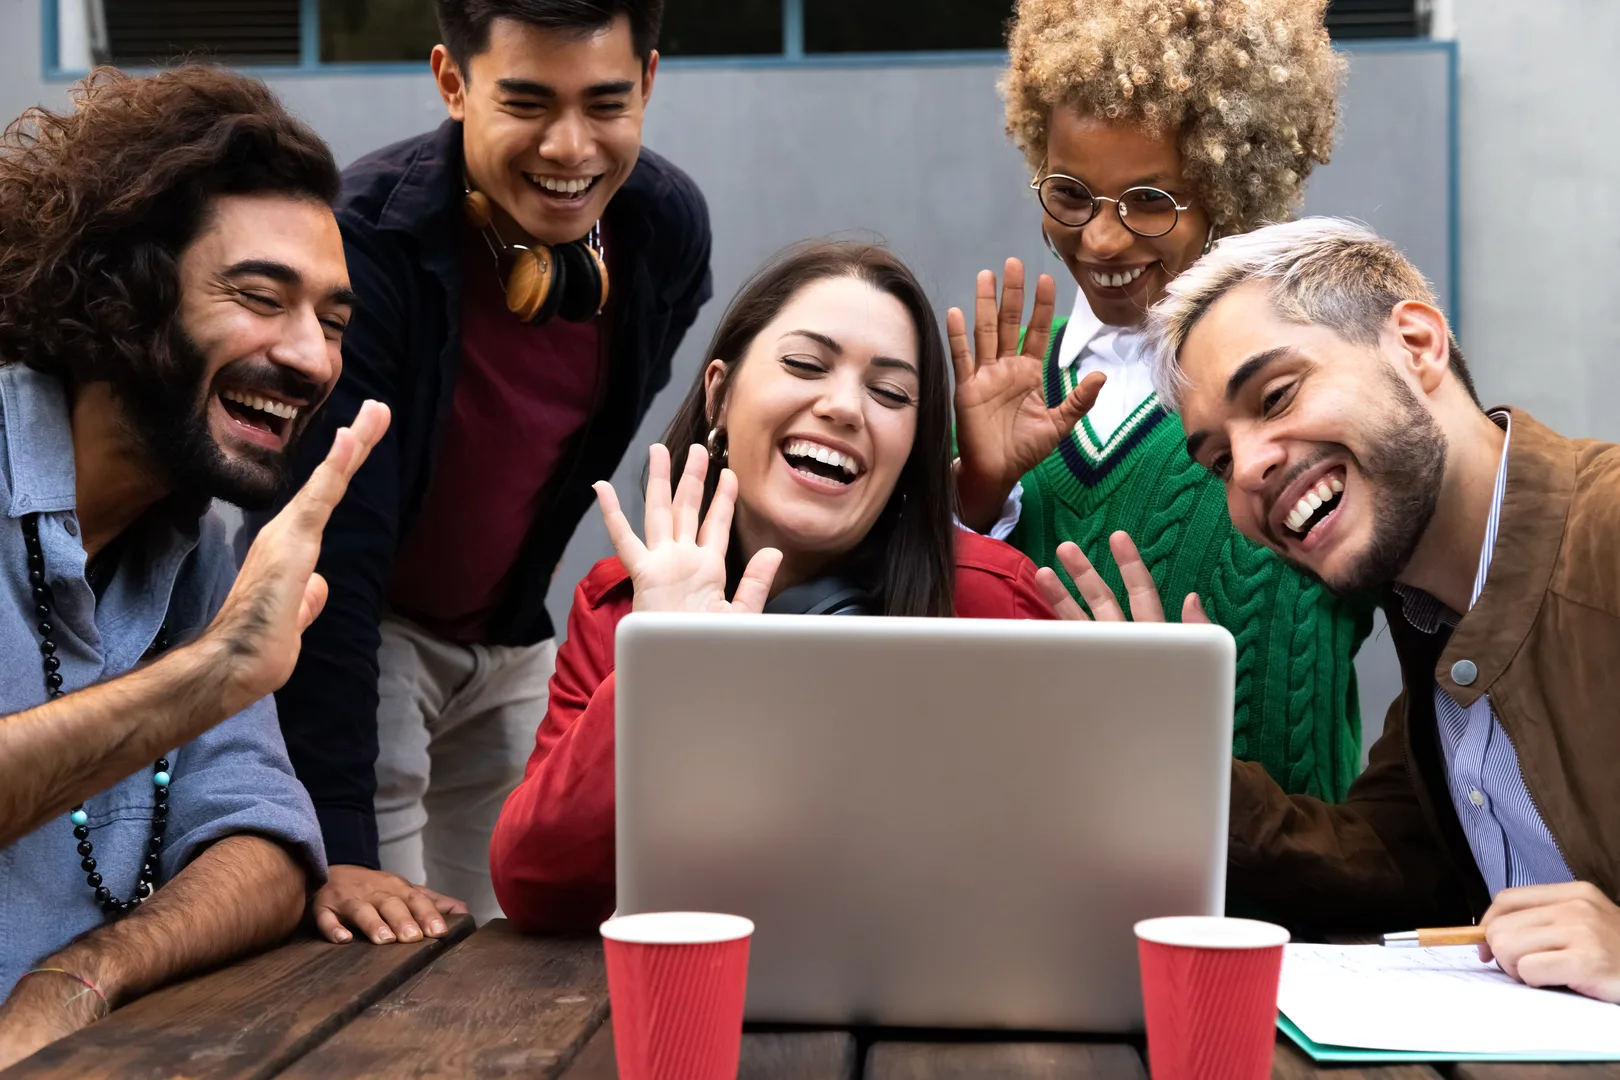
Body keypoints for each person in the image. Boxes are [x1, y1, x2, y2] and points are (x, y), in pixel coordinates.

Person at [1063, 216, 1620, 1004]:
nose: (1250, 468)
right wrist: (1174, 750)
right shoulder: (1434, 616)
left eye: (1278, 394)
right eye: (1219, 459)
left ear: (1418, 346)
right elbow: (1387, 867)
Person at [255, 0, 713, 941]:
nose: (570, 146)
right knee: (376, 945)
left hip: (510, 638)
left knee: (530, 936)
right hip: (359, 633)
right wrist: (337, 841)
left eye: (605, 104)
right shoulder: (362, 248)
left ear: (650, 85)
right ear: (453, 84)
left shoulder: (665, 230)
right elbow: (335, 538)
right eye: (529, 103)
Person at [0, 67, 391, 1067]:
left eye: (334, 320)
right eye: (261, 297)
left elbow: (263, 848)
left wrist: (83, 975)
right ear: (121, 295)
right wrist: (213, 674)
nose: (311, 358)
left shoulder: (199, 550)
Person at [489, 242, 1057, 929]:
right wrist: (665, 664)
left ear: (913, 447)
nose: (846, 407)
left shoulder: (993, 604)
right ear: (719, 395)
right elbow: (536, 886)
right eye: (806, 365)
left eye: (890, 393)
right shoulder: (624, 610)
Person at [952, 0, 1374, 802]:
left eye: (1150, 201)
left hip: (1294, 895)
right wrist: (975, 500)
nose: (1102, 240)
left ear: (1232, 185)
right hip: (1030, 877)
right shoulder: (986, 400)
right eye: (1071, 193)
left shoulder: (1327, 381)